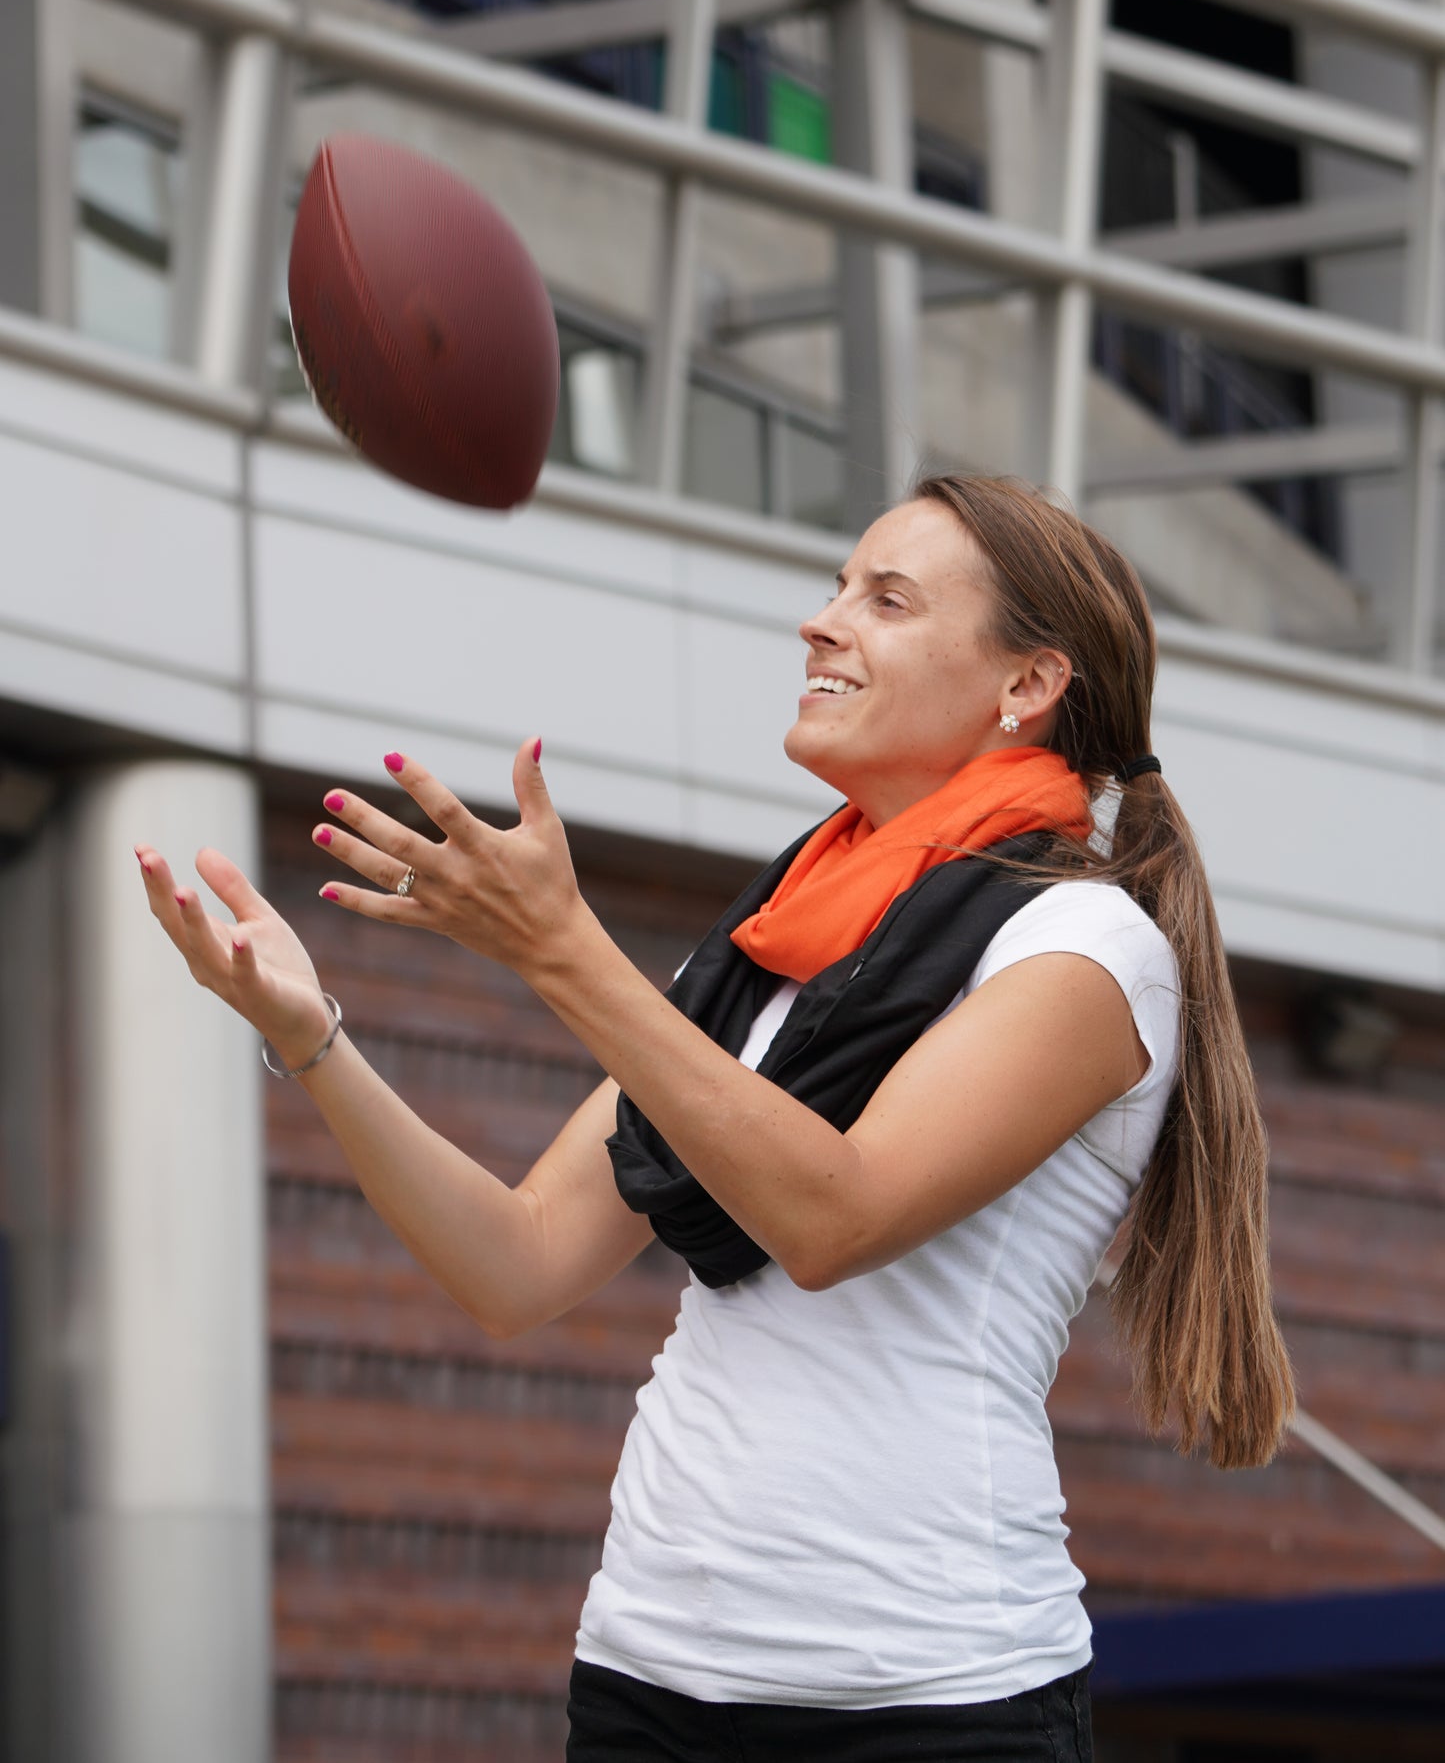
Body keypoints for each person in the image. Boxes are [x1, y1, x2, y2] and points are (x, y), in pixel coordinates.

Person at [137, 473, 1294, 1762]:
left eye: (887, 599)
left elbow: (830, 1216)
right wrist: (314, 1038)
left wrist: (565, 953)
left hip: (929, 1698)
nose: (822, 620)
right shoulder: (765, 954)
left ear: (1025, 686)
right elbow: (517, 1264)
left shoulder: (1089, 949)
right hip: (645, 1667)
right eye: (836, 586)